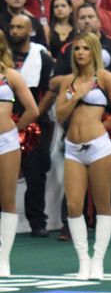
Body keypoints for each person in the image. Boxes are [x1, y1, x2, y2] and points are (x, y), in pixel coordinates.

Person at [56, 31, 111, 280]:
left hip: (99, 147)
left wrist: (102, 129)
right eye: (77, 49)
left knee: (102, 204)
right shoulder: (68, 81)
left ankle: (98, 260)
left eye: (85, 49)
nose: (80, 53)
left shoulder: (105, 77)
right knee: (74, 205)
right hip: (73, 149)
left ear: (94, 52)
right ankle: (83, 260)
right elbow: (60, 115)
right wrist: (76, 94)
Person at [11, 14, 54, 239]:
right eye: (13, 27)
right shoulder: (4, 56)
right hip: (5, 122)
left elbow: (49, 92)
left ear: (30, 30)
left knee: (35, 175)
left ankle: (37, 222)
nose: (15, 31)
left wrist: (35, 115)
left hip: (35, 123)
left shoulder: (42, 57)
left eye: (20, 27)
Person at [0, 34, 38, 276]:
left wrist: (14, 128)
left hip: (6, 142)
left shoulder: (11, 76)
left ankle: (3, 259)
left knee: (8, 200)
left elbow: (32, 109)